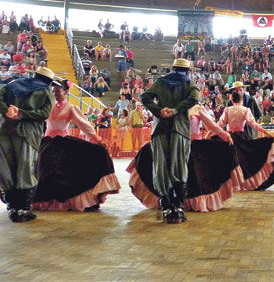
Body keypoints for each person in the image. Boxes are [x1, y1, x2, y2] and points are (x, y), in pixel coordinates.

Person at [127, 103, 237, 213]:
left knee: (193, 177)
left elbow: (211, 125)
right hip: (175, 145)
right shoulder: (172, 107)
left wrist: (224, 135)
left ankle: (184, 203)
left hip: (194, 147)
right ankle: (172, 201)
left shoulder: (197, 108)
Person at [32, 80, 120, 211]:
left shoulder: (71, 108)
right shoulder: (48, 106)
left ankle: (68, 201)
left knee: (66, 173)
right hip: (47, 143)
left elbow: (84, 124)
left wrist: (96, 139)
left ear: (66, 92)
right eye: (53, 91)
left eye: (58, 91)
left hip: (62, 143)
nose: (55, 94)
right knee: (43, 173)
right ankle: (46, 200)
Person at [140, 58, 199, 224]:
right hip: (179, 129)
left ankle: (166, 206)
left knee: (161, 167)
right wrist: (175, 110)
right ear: (187, 71)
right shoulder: (189, 84)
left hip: (159, 129)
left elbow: (145, 97)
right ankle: (178, 207)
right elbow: (194, 99)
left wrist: (159, 111)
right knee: (179, 167)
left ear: (173, 68)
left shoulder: (161, 82)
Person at [0, 67, 55, 222]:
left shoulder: (12, 85)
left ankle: (12, 208)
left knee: (6, 169)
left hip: (4, 129)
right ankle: (23, 208)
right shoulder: (46, 92)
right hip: (27, 133)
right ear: (49, 81)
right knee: (25, 168)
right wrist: (22, 114)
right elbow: (45, 113)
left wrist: (7, 111)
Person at [219, 91, 274, 191]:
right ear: (242, 100)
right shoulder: (245, 110)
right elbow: (254, 124)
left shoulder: (227, 110)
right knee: (245, 161)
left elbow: (220, 124)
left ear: (232, 100)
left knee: (231, 162)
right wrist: (265, 132)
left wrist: (210, 133)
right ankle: (245, 183)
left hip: (230, 138)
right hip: (241, 137)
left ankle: (231, 184)